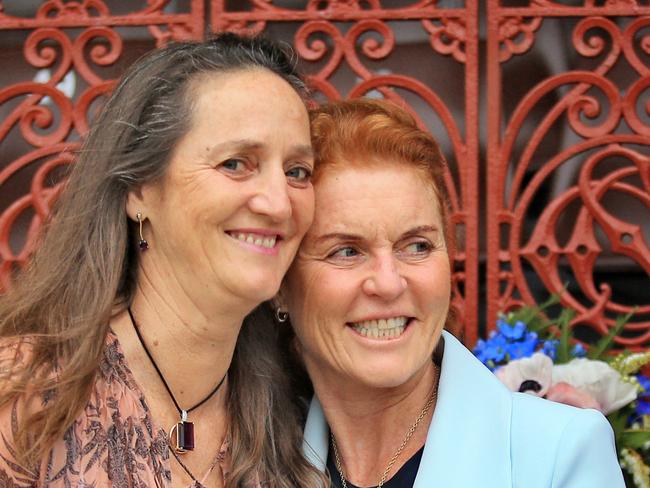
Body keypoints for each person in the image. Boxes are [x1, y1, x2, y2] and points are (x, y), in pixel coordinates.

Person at [0, 34, 327, 487]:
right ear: (139, 191)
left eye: (297, 172)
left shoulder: (301, 414)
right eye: (235, 163)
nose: (279, 203)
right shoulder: (24, 394)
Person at [276, 98, 625, 487]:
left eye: (417, 246)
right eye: (346, 251)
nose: (389, 283)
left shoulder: (558, 453)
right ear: (280, 286)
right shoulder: (247, 461)